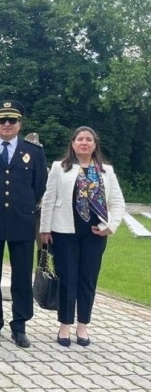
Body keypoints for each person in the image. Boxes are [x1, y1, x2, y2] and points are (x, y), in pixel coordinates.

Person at [39, 126, 125, 347]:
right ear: (73, 144)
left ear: (95, 145)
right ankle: (65, 324)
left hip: (94, 234)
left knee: (87, 279)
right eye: (80, 139)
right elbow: (49, 199)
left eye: (89, 139)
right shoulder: (60, 168)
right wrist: (45, 229)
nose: (84, 143)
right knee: (67, 278)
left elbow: (117, 203)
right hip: (64, 231)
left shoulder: (106, 171)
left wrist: (110, 226)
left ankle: (83, 325)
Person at [0, 100, 47, 348]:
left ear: (19, 124)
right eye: (2, 120)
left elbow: (39, 186)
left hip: (21, 222)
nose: (7, 124)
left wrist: (24, 207)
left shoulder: (34, 151)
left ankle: (20, 325)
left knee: (21, 277)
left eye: (12, 120)